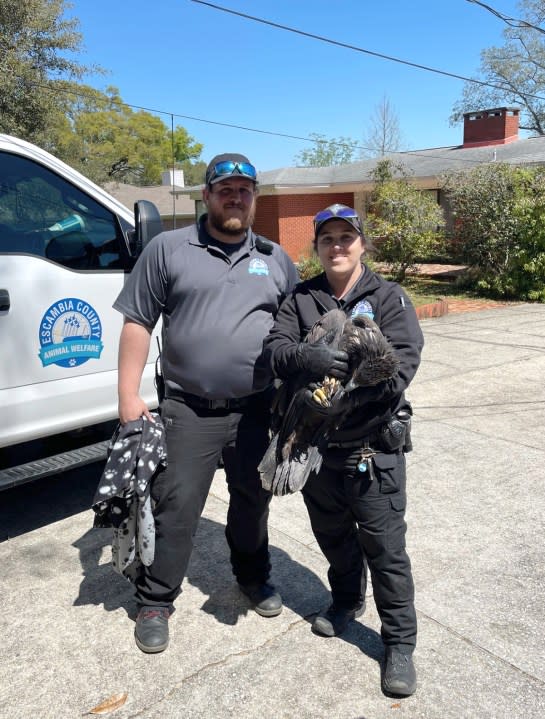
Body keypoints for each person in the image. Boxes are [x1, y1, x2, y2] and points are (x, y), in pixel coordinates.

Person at [113, 153, 298, 653]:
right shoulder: (169, 249)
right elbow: (137, 321)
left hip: (257, 408)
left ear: (254, 197)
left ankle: (253, 577)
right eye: (225, 190)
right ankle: (154, 601)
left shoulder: (276, 259)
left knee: (252, 502)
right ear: (206, 196)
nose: (235, 198)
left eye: (244, 190)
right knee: (176, 506)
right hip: (188, 410)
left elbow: (299, 328)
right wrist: (127, 395)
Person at [262, 203, 424, 697]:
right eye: (327, 238)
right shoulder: (302, 298)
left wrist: (347, 399)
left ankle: (399, 644)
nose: (337, 246)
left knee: (385, 548)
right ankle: (346, 601)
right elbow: (275, 349)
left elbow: (401, 367)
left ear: (362, 244)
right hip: (318, 449)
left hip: (372, 450)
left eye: (346, 238)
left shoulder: (389, 297)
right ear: (316, 246)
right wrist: (304, 358)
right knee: (333, 536)